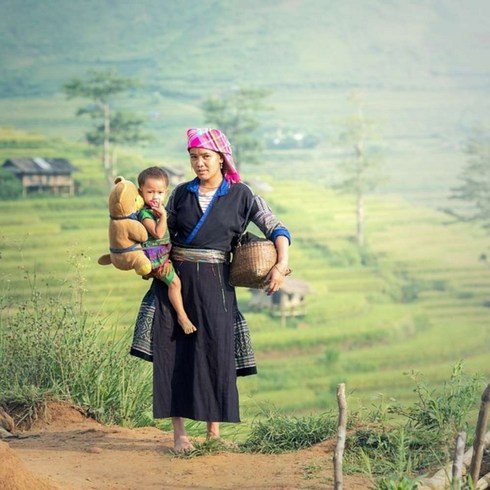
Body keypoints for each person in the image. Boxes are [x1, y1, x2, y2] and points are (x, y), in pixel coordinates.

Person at [151, 128, 291, 453]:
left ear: (221, 158)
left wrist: (281, 264)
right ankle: (179, 435)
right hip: (177, 278)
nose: (199, 163)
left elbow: (277, 228)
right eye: (193, 157)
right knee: (175, 354)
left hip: (217, 282)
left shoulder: (242, 194)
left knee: (216, 349)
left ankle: (213, 433)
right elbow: (162, 233)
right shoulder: (181, 194)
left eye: (205, 157)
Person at [137, 166, 197, 335]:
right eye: (150, 192)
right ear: (141, 192)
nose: (155, 197)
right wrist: (163, 216)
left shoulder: (155, 211)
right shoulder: (145, 214)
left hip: (163, 255)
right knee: (175, 283)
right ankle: (182, 316)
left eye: (160, 193)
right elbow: (158, 233)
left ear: (166, 192)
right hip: (156, 259)